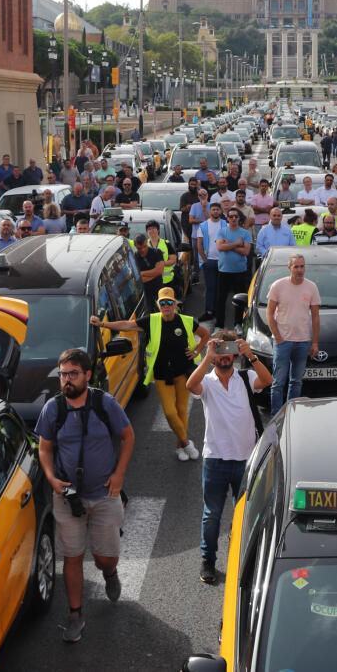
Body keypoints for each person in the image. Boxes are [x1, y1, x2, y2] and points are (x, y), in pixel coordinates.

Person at [36, 348, 135, 642]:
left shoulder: (105, 403)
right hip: (68, 497)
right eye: (63, 374)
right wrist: (52, 478)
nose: (67, 379)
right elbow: (44, 447)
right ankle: (75, 615)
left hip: (105, 494)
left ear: (87, 375)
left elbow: (128, 436)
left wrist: (118, 475)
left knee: (105, 557)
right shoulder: (52, 408)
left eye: (73, 374)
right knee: (72, 557)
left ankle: (109, 573)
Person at [187, 332, 273, 585]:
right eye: (219, 351)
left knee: (245, 513)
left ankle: (242, 560)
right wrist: (207, 357)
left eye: (229, 351)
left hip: (246, 459)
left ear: (235, 353)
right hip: (215, 460)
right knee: (212, 514)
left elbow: (268, 380)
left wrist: (251, 355)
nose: (224, 356)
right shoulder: (208, 382)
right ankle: (209, 561)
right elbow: (191, 386)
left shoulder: (246, 377)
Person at [93, 288, 208, 461]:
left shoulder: (187, 321)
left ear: (175, 304)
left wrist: (197, 351)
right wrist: (102, 325)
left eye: (170, 302)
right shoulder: (151, 321)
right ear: (158, 305)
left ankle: (179, 447)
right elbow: (127, 325)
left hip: (183, 373)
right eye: (163, 303)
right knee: (170, 412)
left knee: (182, 410)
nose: (166, 306)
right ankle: (186, 442)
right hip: (162, 375)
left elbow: (205, 335)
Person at [266, 254, 321, 414]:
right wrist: (277, 337)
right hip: (283, 341)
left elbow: (316, 317)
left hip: (303, 341)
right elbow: (269, 314)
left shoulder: (311, 287)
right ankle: (276, 416)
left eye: (302, 266)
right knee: (278, 382)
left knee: (296, 382)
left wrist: (315, 342)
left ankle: (292, 414)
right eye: (296, 266)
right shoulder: (278, 286)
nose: (300, 270)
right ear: (289, 268)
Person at [213, 209, 252, 328]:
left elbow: (246, 251)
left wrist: (229, 244)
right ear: (228, 218)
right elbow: (220, 247)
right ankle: (219, 325)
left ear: (239, 218)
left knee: (240, 300)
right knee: (220, 299)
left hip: (240, 271)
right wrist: (236, 243)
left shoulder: (245, 233)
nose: (234, 218)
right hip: (224, 271)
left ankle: (238, 324)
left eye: (236, 216)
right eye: (231, 216)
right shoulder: (221, 232)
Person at [196, 202, 225, 322]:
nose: (215, 212)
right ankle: (209, 311)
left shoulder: (225, 224)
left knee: (221, 288)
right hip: (209, 261)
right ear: (210, 211)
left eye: (217, 209)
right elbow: (199, 244)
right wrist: (204, 259)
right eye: (213, 210)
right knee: (210, 287)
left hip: (223, 261)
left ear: (221, 211)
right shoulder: (203, 225)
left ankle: (219, 312)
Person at [131, 233, 167, 307]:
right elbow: (139, 280)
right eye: (139, 248)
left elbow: (160, 271)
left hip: (159, 291)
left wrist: (141, 273)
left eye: (144, 246)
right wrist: (155, 273)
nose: (143, 250)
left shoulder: (157, 252)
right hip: (145, 295)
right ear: (135, 246)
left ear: (147, 242)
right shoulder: (134, 257)